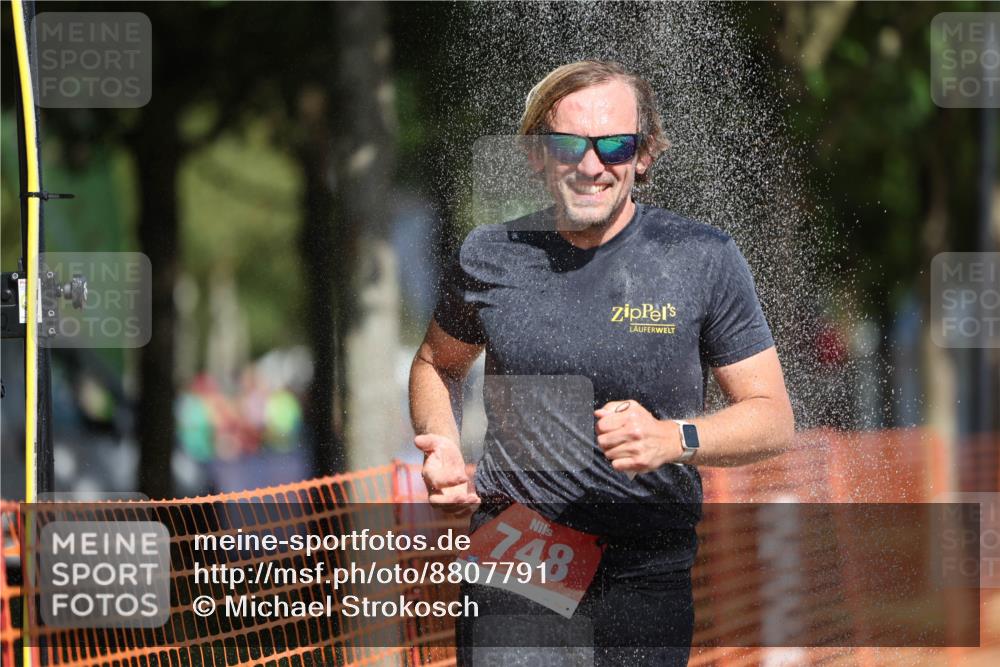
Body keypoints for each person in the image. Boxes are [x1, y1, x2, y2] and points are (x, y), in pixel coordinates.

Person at [408, 60, 795, 666]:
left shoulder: (701, 257)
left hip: (647, 564)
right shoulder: (491, 256)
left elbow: (771, 417)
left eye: (616, 144)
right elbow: (436, 363)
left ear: (644, 155)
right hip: (523, 546)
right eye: (569, 145)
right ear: (537, 155)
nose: (592, 165)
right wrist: (443, 445)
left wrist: (675, 437)